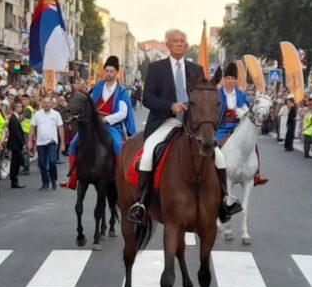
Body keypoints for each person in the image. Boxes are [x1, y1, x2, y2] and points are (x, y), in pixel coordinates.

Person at [126, 29, 242, 224]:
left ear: (186, 46)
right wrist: (171, 106)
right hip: (165, 121)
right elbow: (148, 99)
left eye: (183, 41)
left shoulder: (196, 69)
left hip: (192, 124)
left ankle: (225, 200)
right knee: (148, 154)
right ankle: (141, 203)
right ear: (168, 44)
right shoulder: (156, 68)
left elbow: (205, 96)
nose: (179, 44)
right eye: (175, 41)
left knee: (219, 155)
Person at [61, 55, 136, 189]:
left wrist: (106, 119)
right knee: (73, 143)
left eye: (111, 71)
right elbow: (87, 101)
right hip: (94, 124)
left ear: (116, 73)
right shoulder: (98, 86)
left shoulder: (122, 91)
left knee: (118, 146)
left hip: (111, 126)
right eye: (106, 71)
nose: (108, 74)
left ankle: (120, 177)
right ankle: (73, 178)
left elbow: (123, 113)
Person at [214, 62, 269, 185]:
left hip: (238, 127)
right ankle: (210, 172)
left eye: (232, 79)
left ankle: (257, 174)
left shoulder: (241, 94)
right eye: (227, 78)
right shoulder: (217, 93)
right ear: (224, 79)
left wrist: (243, 111)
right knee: (212, 147)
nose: (229, 81)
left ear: (236, 80)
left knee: (253, 145)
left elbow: (248, 109)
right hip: (222, 127)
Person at [29, 97, 65, 191]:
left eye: (48, 103)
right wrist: (29, 141)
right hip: (41, 142)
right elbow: (32, 128)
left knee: (52, 162)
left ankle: (53, 180)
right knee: (42, 164)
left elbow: (60, 128)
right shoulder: (37, 114)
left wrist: (63, 143)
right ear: (42, 103)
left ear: (51, 104)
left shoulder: (56, 114)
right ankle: (45, 182)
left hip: (52, 142)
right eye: (44, 103)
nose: (46, 104)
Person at [7, 101, 26, 189]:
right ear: (15, 108)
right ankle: (14, 179)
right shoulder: (14, 119)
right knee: (16, 162)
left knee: (16, 162)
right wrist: (23, 143)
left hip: (16, 144)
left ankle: (14, 179)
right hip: (15, 144)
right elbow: (17, 133)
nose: (21, 109)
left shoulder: (15, 118)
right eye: (19, 107)